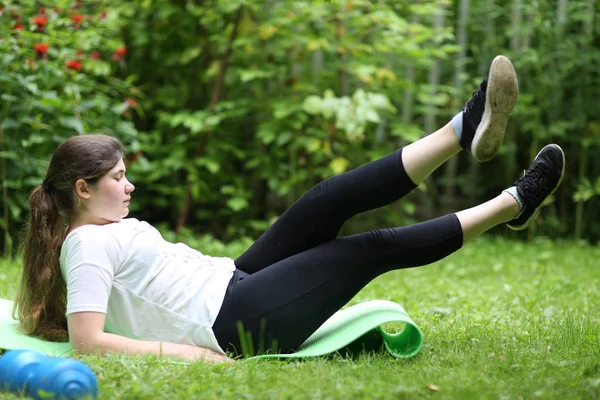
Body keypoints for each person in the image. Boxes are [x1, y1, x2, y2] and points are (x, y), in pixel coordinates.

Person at [13, 55, 564, 364]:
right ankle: (512, 204)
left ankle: (460, 129)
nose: (129, 186)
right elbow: (89, 342)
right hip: (233, 322)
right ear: (82, 189)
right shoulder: (84, 245)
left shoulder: (107, 229)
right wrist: (190, 357)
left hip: (234, 281)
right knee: (368, 248)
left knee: (326, 198)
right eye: (117, 178)